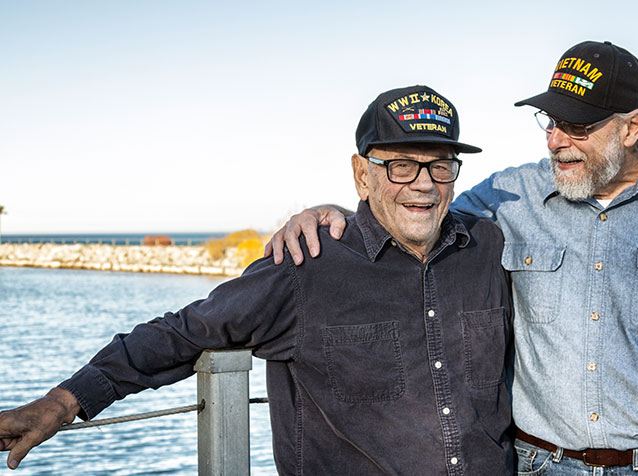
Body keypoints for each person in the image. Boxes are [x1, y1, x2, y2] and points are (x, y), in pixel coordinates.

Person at [266, 41, 638, 475]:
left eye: (577, 126)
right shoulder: (508, 197)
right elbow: (414, 204)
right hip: (537, 466)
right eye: (550, 121)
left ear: (632, 127)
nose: (556, 140)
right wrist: (332, 207)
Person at [0, 85, 515, 476]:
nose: (423, 184)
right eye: (401, 165)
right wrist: (65, 401)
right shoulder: (306, 266)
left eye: (440, 166)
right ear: (362, 175)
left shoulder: (490, 249)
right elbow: (183, 333)